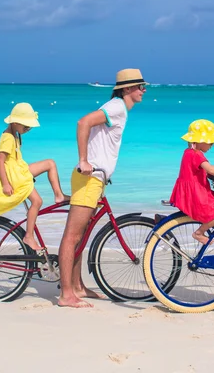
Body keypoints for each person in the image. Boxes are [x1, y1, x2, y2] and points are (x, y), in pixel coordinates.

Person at [57, 68, 148, 308]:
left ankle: (77, 286)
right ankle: (66, 293)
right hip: (88, 178)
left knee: (82, 236)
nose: (144, 90)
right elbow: (83, 122)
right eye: (140, 87)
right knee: (73, 236)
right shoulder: (116, 106)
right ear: (128, 88)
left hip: (96, 180)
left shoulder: (119, 109)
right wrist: (84, 160)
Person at [0, 102, 69, 251]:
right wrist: (5, 184)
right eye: (26, 126)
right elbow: (0, 161)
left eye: (29, 127)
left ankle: (59, 195)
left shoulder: (14, 134)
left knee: (50, 163)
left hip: (18, 170)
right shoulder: (8, 138)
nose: (28, 129)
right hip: (13, 176)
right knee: (37, 201)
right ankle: (29, 236)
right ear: (15, 122)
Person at [169, 119, 214, 244]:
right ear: (201, 140)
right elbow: (209, 169)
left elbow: (200, 169)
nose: (212, 145)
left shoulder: (190, 152)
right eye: (210, 142)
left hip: (199, 191)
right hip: (196, 195)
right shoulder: (196, 154)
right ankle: (199, 233)